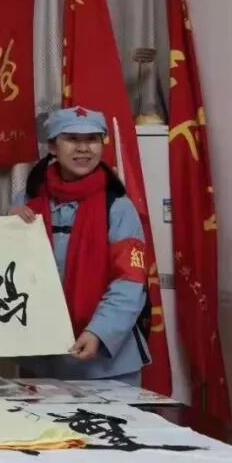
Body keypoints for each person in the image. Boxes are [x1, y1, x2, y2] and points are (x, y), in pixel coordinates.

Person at [9, 106, 150, 385]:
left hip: (108, 364)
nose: (83, 148)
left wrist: (99, 332)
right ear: (53, 146)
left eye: (92, 139)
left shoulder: (118, 207)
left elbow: (130, 281)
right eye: (72, 139)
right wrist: (6, 227)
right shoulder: (27, 200)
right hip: (41, 357)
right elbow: (8, 271)